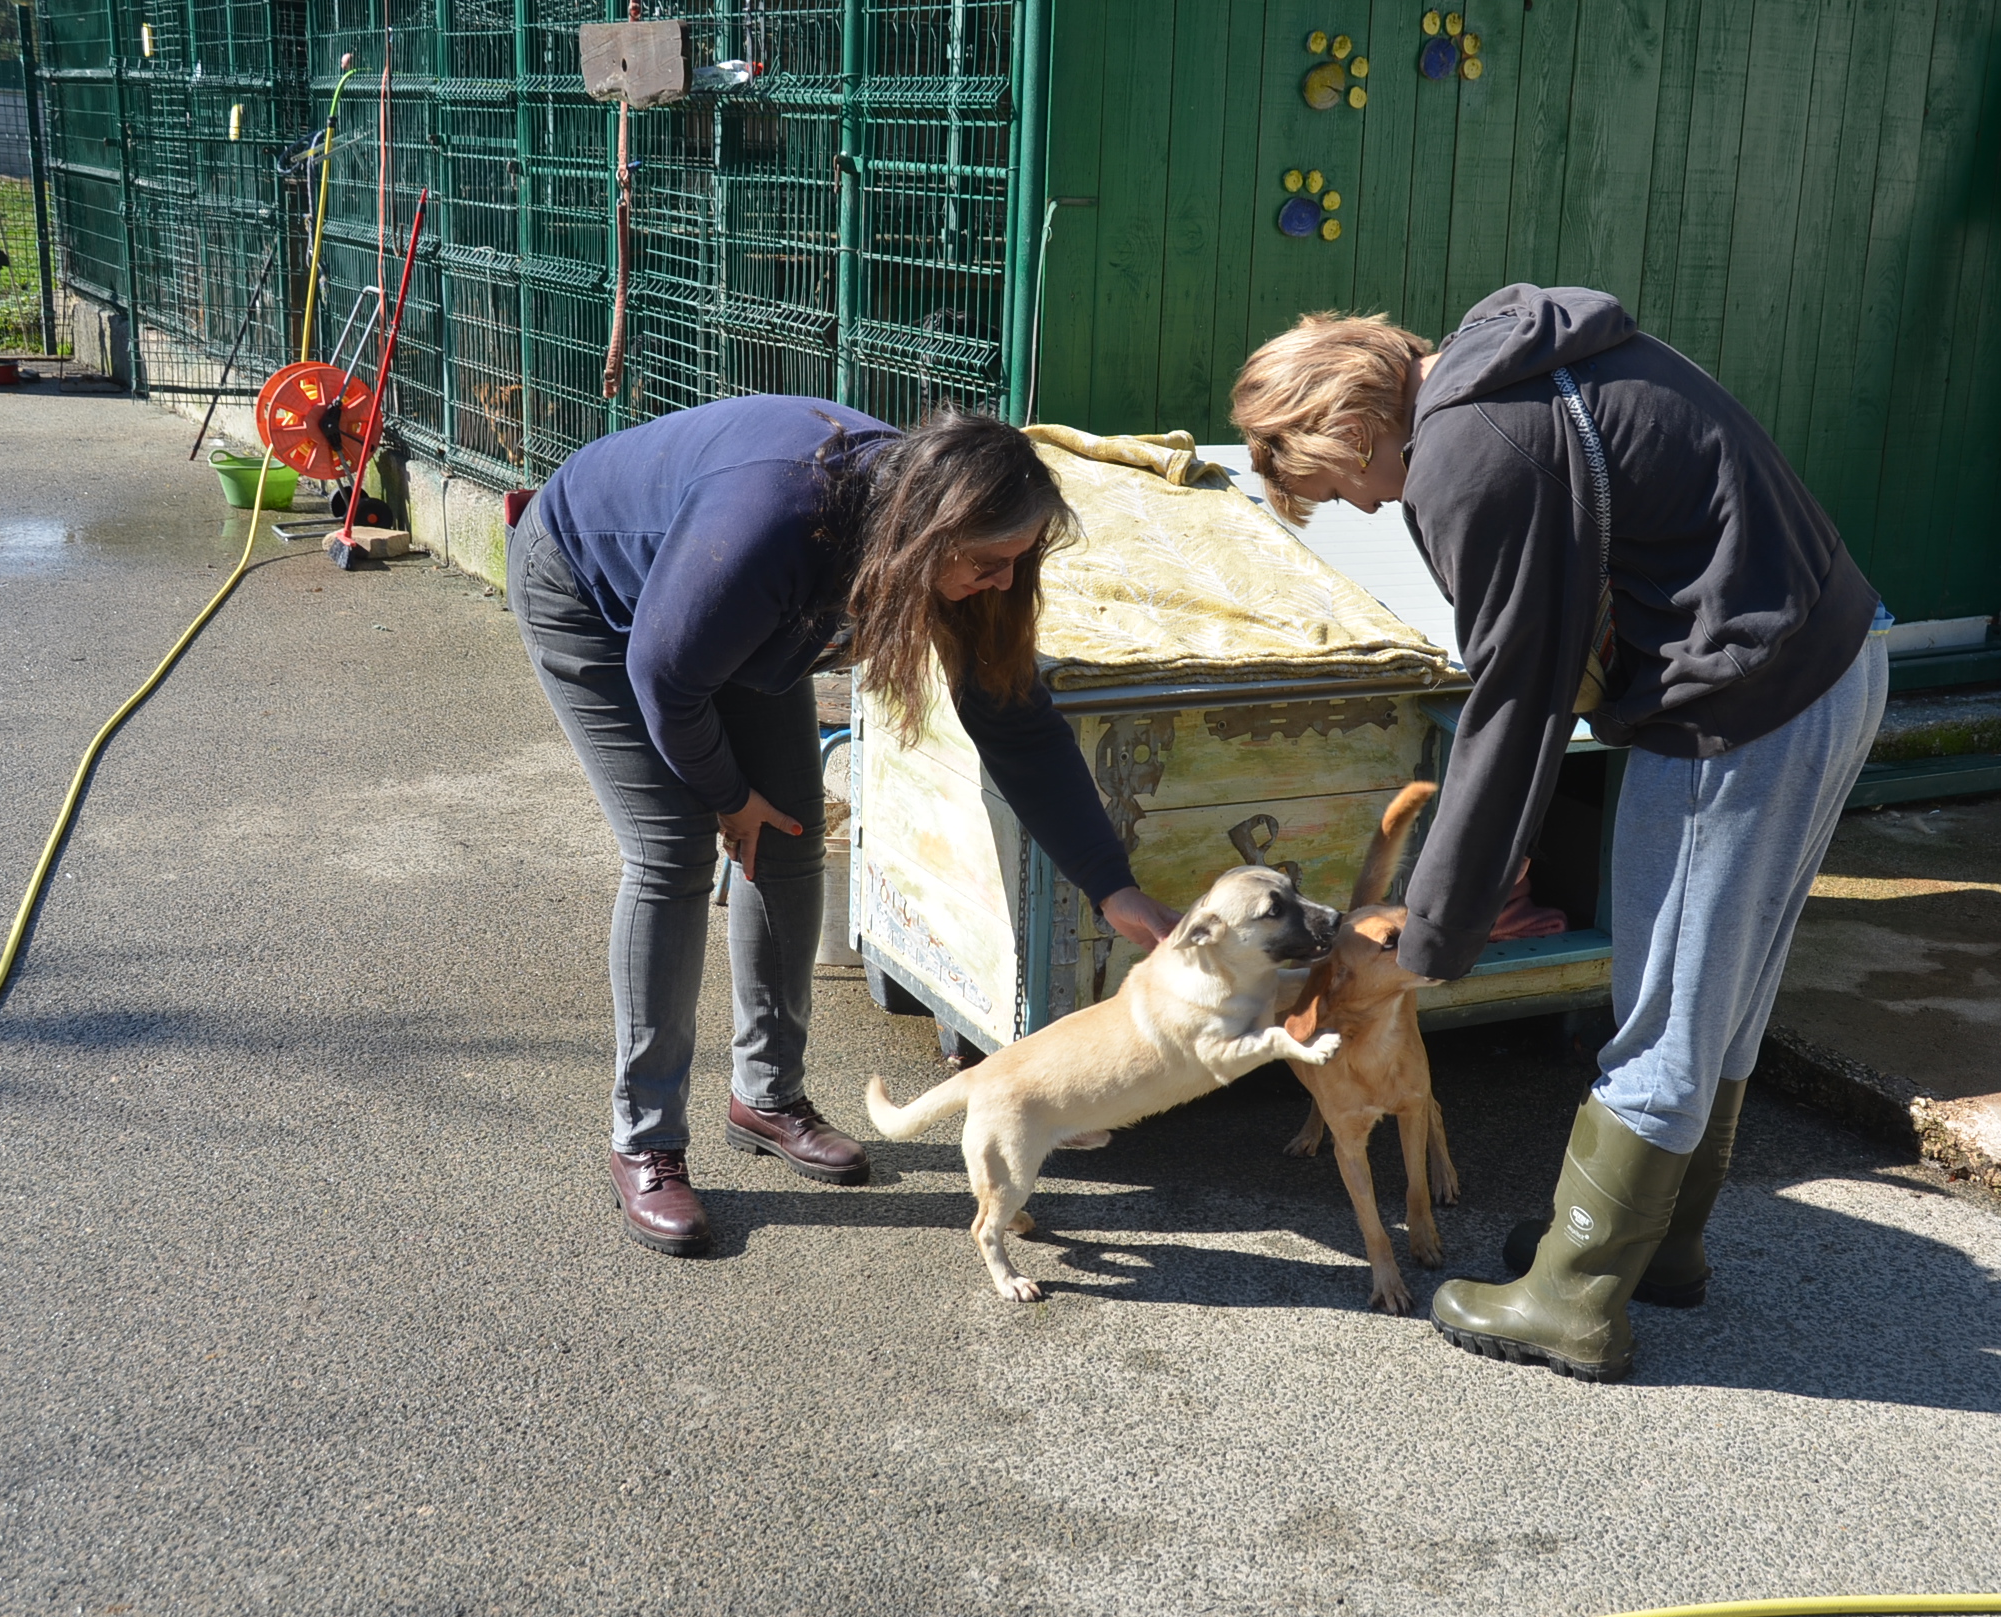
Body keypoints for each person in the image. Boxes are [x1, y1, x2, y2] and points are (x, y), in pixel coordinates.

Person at [1231, 285, 1889, 1381]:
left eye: (1336, 483)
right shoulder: (1520, 371)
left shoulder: (1467, 455)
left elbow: (1514, 698)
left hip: (1742, 706)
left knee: (1668, 1001)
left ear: (1349, 426)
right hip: (1832, 659)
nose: (1353, 505)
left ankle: (1574, 1299)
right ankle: (1651, 1246)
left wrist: (1435, 927)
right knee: (1717, 996)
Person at [509, 398, 1179, 1257]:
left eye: (1021, 561)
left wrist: (1110, 884)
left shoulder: (947, 550)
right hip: (594, 598)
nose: (1007, 582)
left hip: (725, 620)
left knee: (788, 832)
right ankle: (644, 1140)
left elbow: (1015, 721)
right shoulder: (777, 524)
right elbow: (667, 677)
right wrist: (724, 794)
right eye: (990, 562)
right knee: (671, 851)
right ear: (927, 535)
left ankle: (768, 1096)